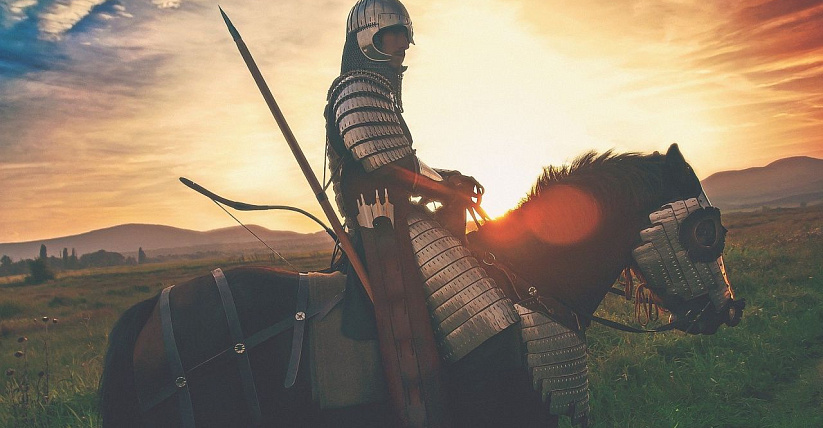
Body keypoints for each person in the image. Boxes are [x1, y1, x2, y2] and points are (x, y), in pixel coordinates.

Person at [324, 0, 521, 425]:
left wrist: (449, 178)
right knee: (470, 299)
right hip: (379, 220)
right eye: (391, 36)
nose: (401, 46)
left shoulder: (377, 89)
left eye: (403, 37)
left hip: (399, 213)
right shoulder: (355, 88)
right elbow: (381, 162)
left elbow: (406, 162)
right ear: (366, 38)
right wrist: (444, 186)